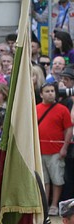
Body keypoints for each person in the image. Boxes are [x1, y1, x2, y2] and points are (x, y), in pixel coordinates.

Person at [37, 83, 72, 216]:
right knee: (44, 179)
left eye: (52, 91)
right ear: (41, 94)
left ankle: (54, 205)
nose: (50, 93)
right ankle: (45, 204)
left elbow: (68, 129)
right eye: (47, 91)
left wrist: (64, 147)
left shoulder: (62, 109)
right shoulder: (36, 108)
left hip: (56, 150)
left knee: (57, 179)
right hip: (40, 150)